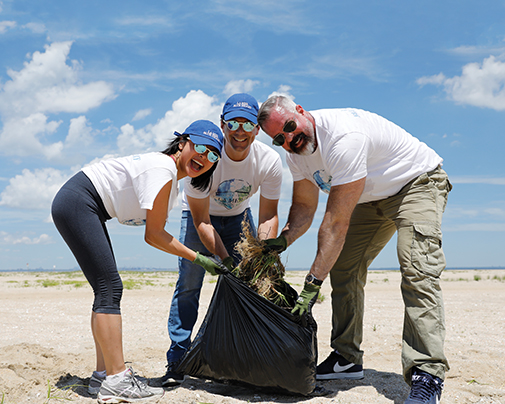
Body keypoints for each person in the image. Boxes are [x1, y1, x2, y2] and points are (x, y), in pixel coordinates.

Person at [258, 96, 451, 404]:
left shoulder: (343, 137)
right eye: (280, 138)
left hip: (415, 183)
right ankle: (347, 357)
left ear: (300, 111)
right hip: (369, 198)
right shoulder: (295, 156)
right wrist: (282, 241)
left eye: (291, 127)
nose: (291, 139)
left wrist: (310, 287)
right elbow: (305, 208)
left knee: (417, 270)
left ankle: (427, 373)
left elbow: (335, 224)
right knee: (344, 267)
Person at [51, 120, 227, 403]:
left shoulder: (169, 177)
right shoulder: (163, 169)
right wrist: (200, 259)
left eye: (213, 155)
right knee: (110, 288)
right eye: (200, 147)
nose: (204, 158)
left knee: (105, 289)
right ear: (182, 142)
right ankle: (118, 379)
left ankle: (103, 376)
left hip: (82, 205)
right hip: (78, 201)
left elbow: (154, 233)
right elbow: (154, 235)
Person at [161, 93, 283, 386]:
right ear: (223, 124)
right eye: (233, 123)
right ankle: (177, 359)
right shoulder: (205, 157)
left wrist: (261, 251)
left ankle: (238, 362)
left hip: (241, 218)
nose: (240, 130)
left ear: (257, 128)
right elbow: (202, 221)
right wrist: (224, 259)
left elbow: (268, 216)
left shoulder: (269, 161)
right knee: (189, 284)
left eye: (247, 123)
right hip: (199, 218)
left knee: (248, 286)